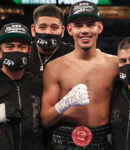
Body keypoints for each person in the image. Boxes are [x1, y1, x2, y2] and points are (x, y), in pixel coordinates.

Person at [41, 1, 118, 150]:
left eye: (90, 24)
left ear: (99, 27)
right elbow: (45, 120)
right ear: (69, 29)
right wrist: (65, 103)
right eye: (78, 25)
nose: (84, 30)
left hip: (103, 140)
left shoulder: (115, 64)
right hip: (63, 140)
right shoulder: (55, 67)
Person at [0, 22, 45, 150]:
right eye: (10, 46)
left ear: (29, 51)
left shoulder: (38, 83)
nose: (16, 51)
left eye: (21, 46)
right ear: (0, 52)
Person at [25, 4, 73, 78]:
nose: (48, 32)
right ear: (33, 30)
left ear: (62, 31)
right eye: (42, 27)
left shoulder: (72, 53)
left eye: (54, 28)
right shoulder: (24, 52)